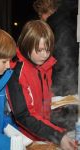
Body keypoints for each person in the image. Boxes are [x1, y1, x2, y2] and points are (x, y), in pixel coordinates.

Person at [6, 20, 77, 150]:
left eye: (48, 50)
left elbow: (44, 99)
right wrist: (57, 135)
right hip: (26, 139)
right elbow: (24, 115)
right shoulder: (17, 72)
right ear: (26, 45)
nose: (45, 55)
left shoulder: (43, 65)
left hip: (43, 133)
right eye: (39, 50)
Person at [33, 0, 79, 96]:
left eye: (40, 14)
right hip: (72, 74)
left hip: (65, 79)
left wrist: (55, 86)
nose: (40, 18)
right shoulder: (67, 19)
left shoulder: (54, 25)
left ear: (45, 11)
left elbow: (62, 57)